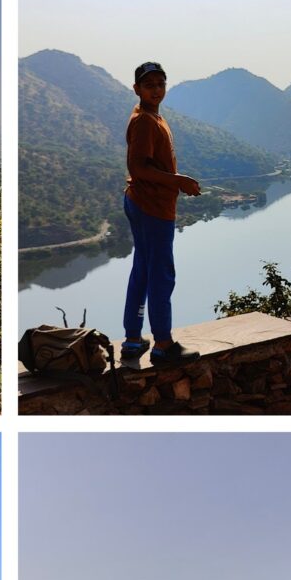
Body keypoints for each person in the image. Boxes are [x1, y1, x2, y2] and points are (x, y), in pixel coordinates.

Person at [121, 61, 202, 366]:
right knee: (161, 275)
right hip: (152, 207)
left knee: (142, 269)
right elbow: (138, 167)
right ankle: (163, 344)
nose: (156, 90)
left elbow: (151, 165)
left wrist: (176, 179)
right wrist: (178, 181)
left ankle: (132, 339)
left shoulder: (151, 117)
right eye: (149, 85)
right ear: (137, 88)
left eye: (160, 84)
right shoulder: (144, 121)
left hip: (143, 202)